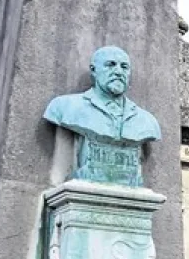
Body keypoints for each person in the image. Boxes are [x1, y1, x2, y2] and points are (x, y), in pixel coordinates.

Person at [43, 46, 160, 186]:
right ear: (94, 70)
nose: (118, 72)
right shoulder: (65, 107)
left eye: (124, 67)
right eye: (110, 65)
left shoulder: (147, 121)